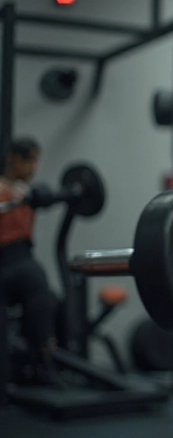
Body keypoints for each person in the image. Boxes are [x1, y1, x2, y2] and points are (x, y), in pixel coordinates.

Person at [0, 137, 63, 387]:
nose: (34, 167)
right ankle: (38, 358)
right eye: (30, 160)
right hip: (4, 263)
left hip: (23, 261)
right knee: (33, 275)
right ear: (13, 159)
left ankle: (43, 357)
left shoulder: (28, 193)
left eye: (37, 160)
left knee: (53, 300)